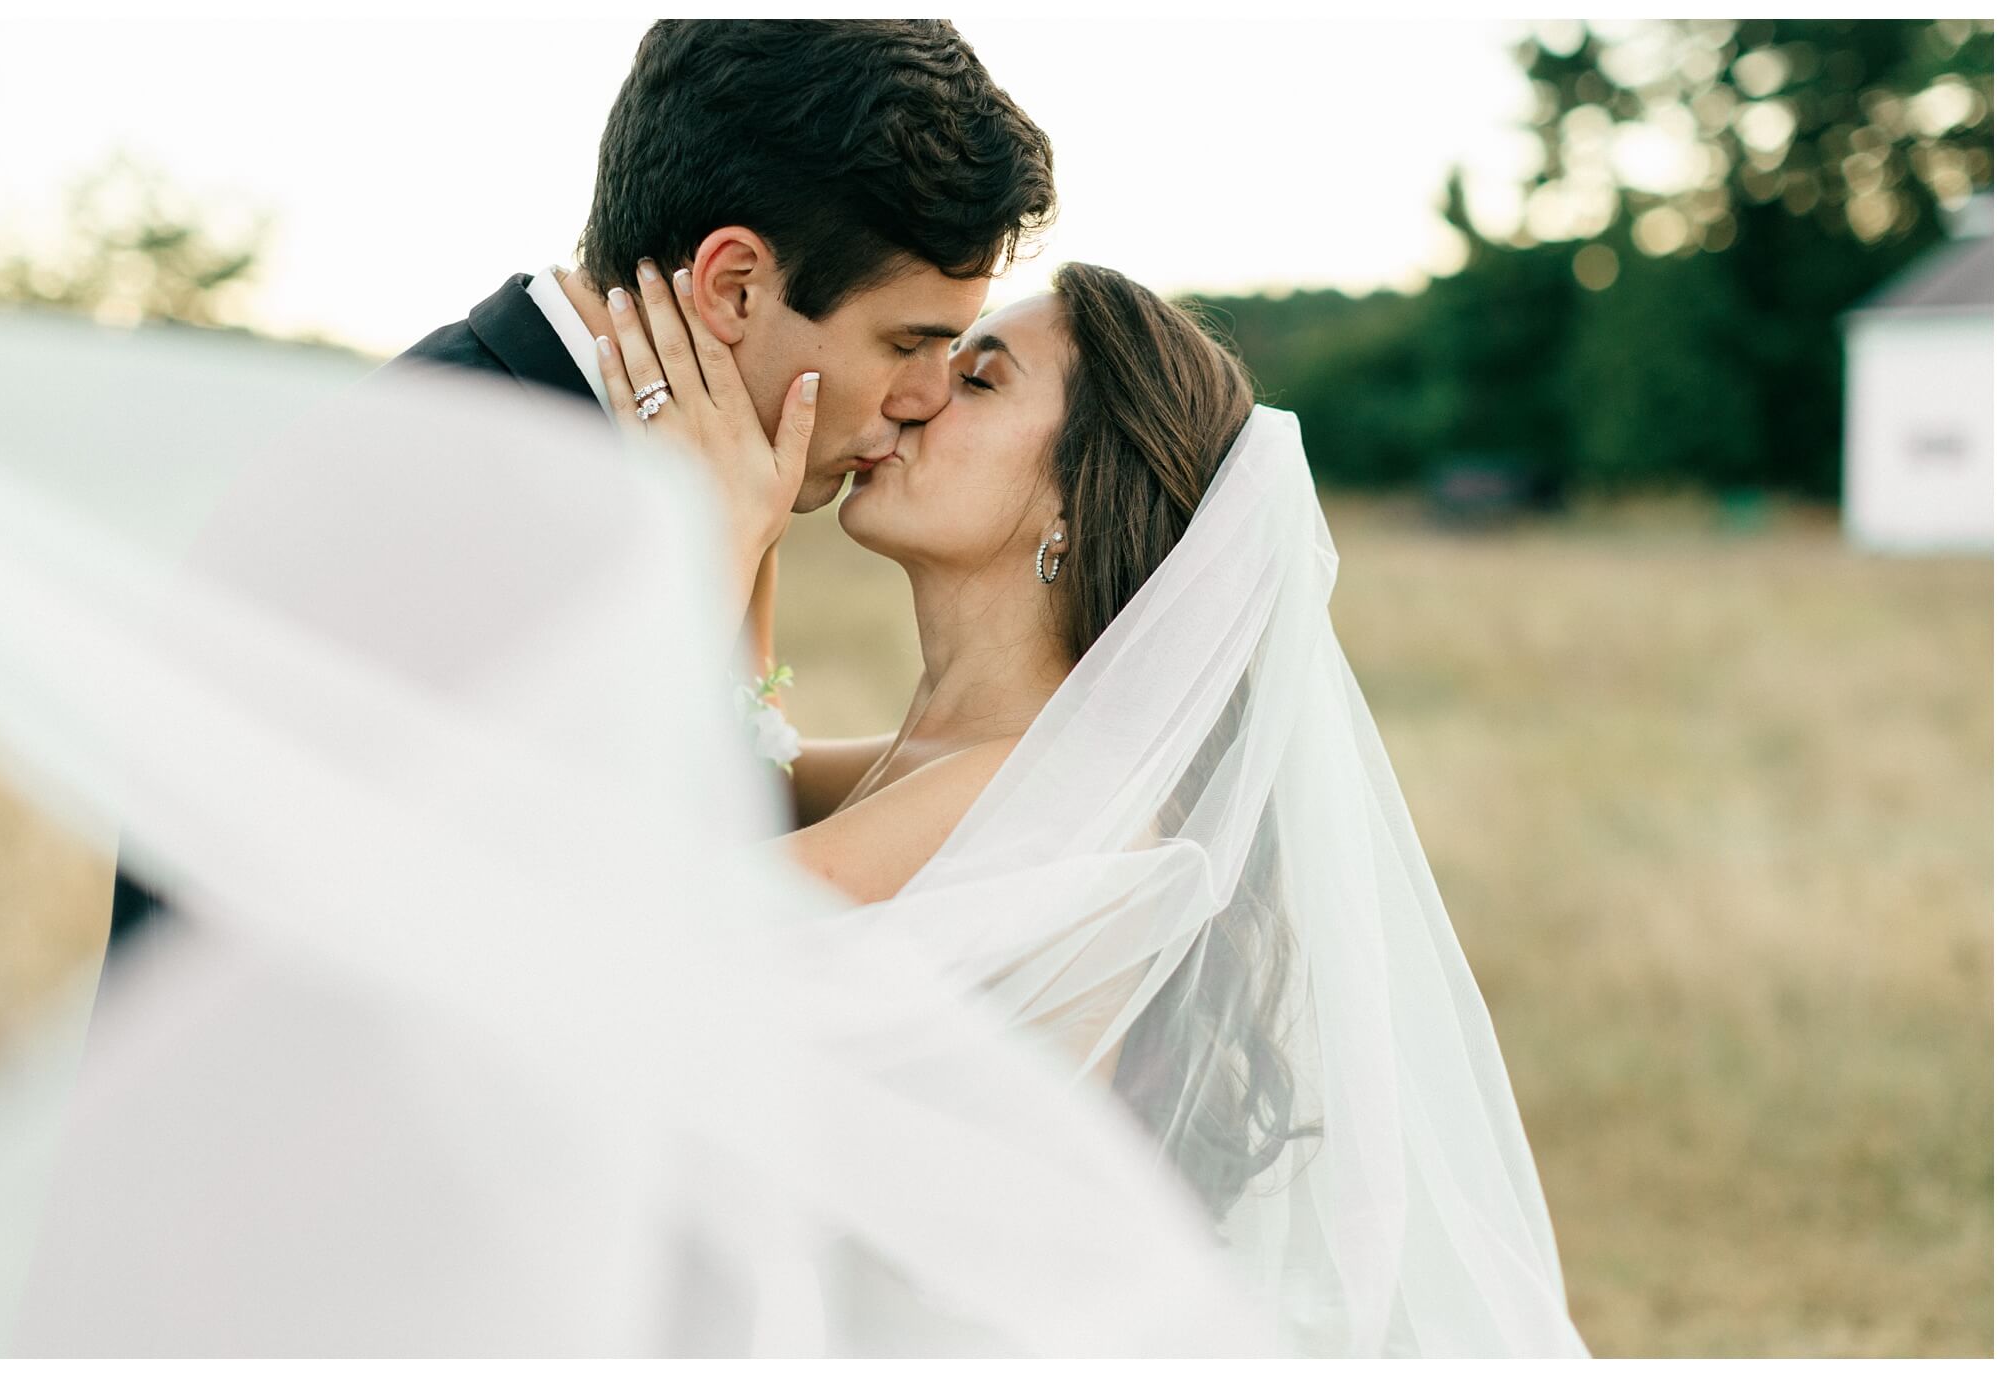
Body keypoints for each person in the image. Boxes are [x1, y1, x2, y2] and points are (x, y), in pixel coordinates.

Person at [596, 260, 1591, 1354]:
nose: (914, 396)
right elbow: (737, 764)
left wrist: (699, 541)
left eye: (976, 382)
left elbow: (632, 918)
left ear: (1076, 491)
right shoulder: (964, 760)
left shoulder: (1041, 797)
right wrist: (756, 519)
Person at [102, 17, 1056, 949]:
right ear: (734, 287)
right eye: (906, 343)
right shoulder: (453, 488)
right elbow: (495, 936)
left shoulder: (646, 473)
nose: (927, 398)